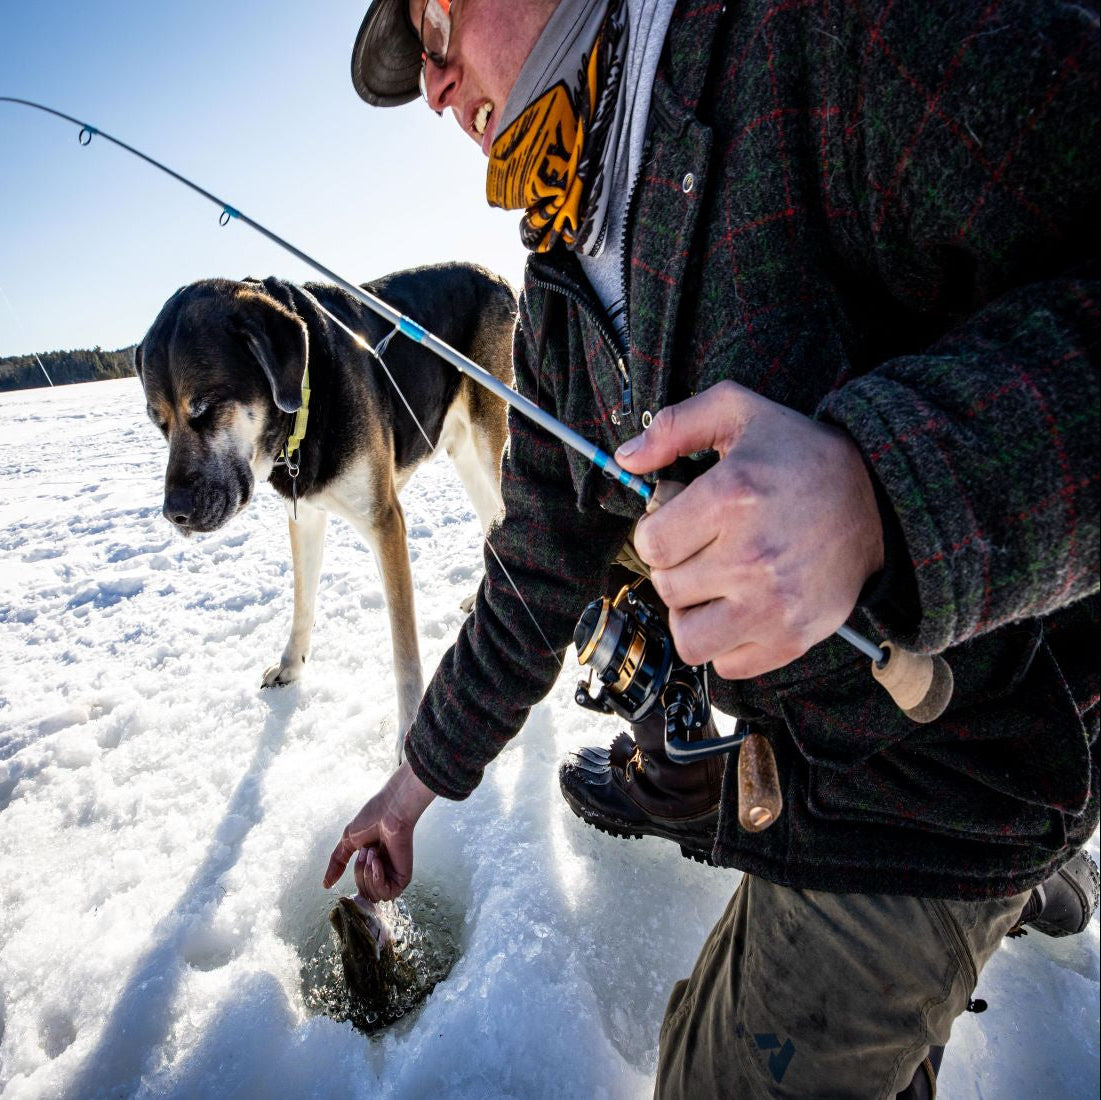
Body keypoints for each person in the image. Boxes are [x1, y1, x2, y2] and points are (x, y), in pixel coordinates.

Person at [325, 0, 1100, 1094]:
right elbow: (535, 573)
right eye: (422, 69)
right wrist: (412, 786)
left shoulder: (822, 33)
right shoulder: (556, 283)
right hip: (805, 766)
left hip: (958, 757)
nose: (436, 83)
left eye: (438, 19)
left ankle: (1030, 855)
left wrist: (883, 493)